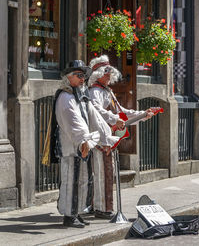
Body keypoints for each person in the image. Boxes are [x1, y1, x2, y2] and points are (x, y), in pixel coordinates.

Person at [53, 60, 119, 228]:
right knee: (70, 181)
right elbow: (74, 121)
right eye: (79, 76)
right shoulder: (65, 96)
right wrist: (84, 140)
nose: (83, 79)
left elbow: (95, 117)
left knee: (83, 180)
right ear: (69, 77)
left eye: (84, 76)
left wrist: (108, 133)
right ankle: (69, 215)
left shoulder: (82, 97)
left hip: (83, 146)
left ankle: (77, 212)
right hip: (70, 147)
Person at [88, 55, 154, 219]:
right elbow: (97, 111)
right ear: (98, 74)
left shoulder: (107, 91)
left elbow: (121, 112)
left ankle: (104, 207)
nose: (109, 77)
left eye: (110, 73)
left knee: (107, 172)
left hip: (106, 137)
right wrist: (114, 119)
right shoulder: (94, 91)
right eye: (106, 73)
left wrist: (142, 114)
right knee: (102, 173)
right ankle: (101, 208)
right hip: (99, 137)